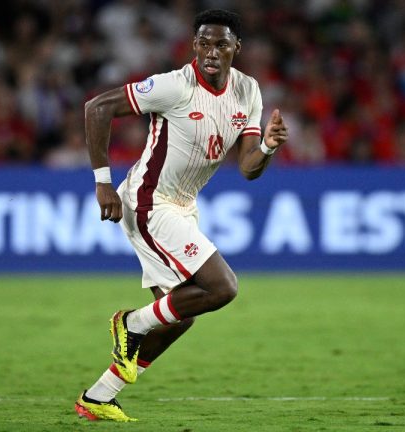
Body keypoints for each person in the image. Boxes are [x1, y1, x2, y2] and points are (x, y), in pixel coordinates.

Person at [74, 9, 289, 422]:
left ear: (236, 49)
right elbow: (97, 108)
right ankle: (131, 323)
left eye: (221, 44)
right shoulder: (174, 86)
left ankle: (99, 396)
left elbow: (247, 167)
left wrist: (268, 147)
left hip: (183, 205)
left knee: (179, 317)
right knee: (223, 287)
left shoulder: (248, 92)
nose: (211, 51)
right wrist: (102, 182)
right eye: (204, 43)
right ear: (194, 45)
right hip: (149, 201)